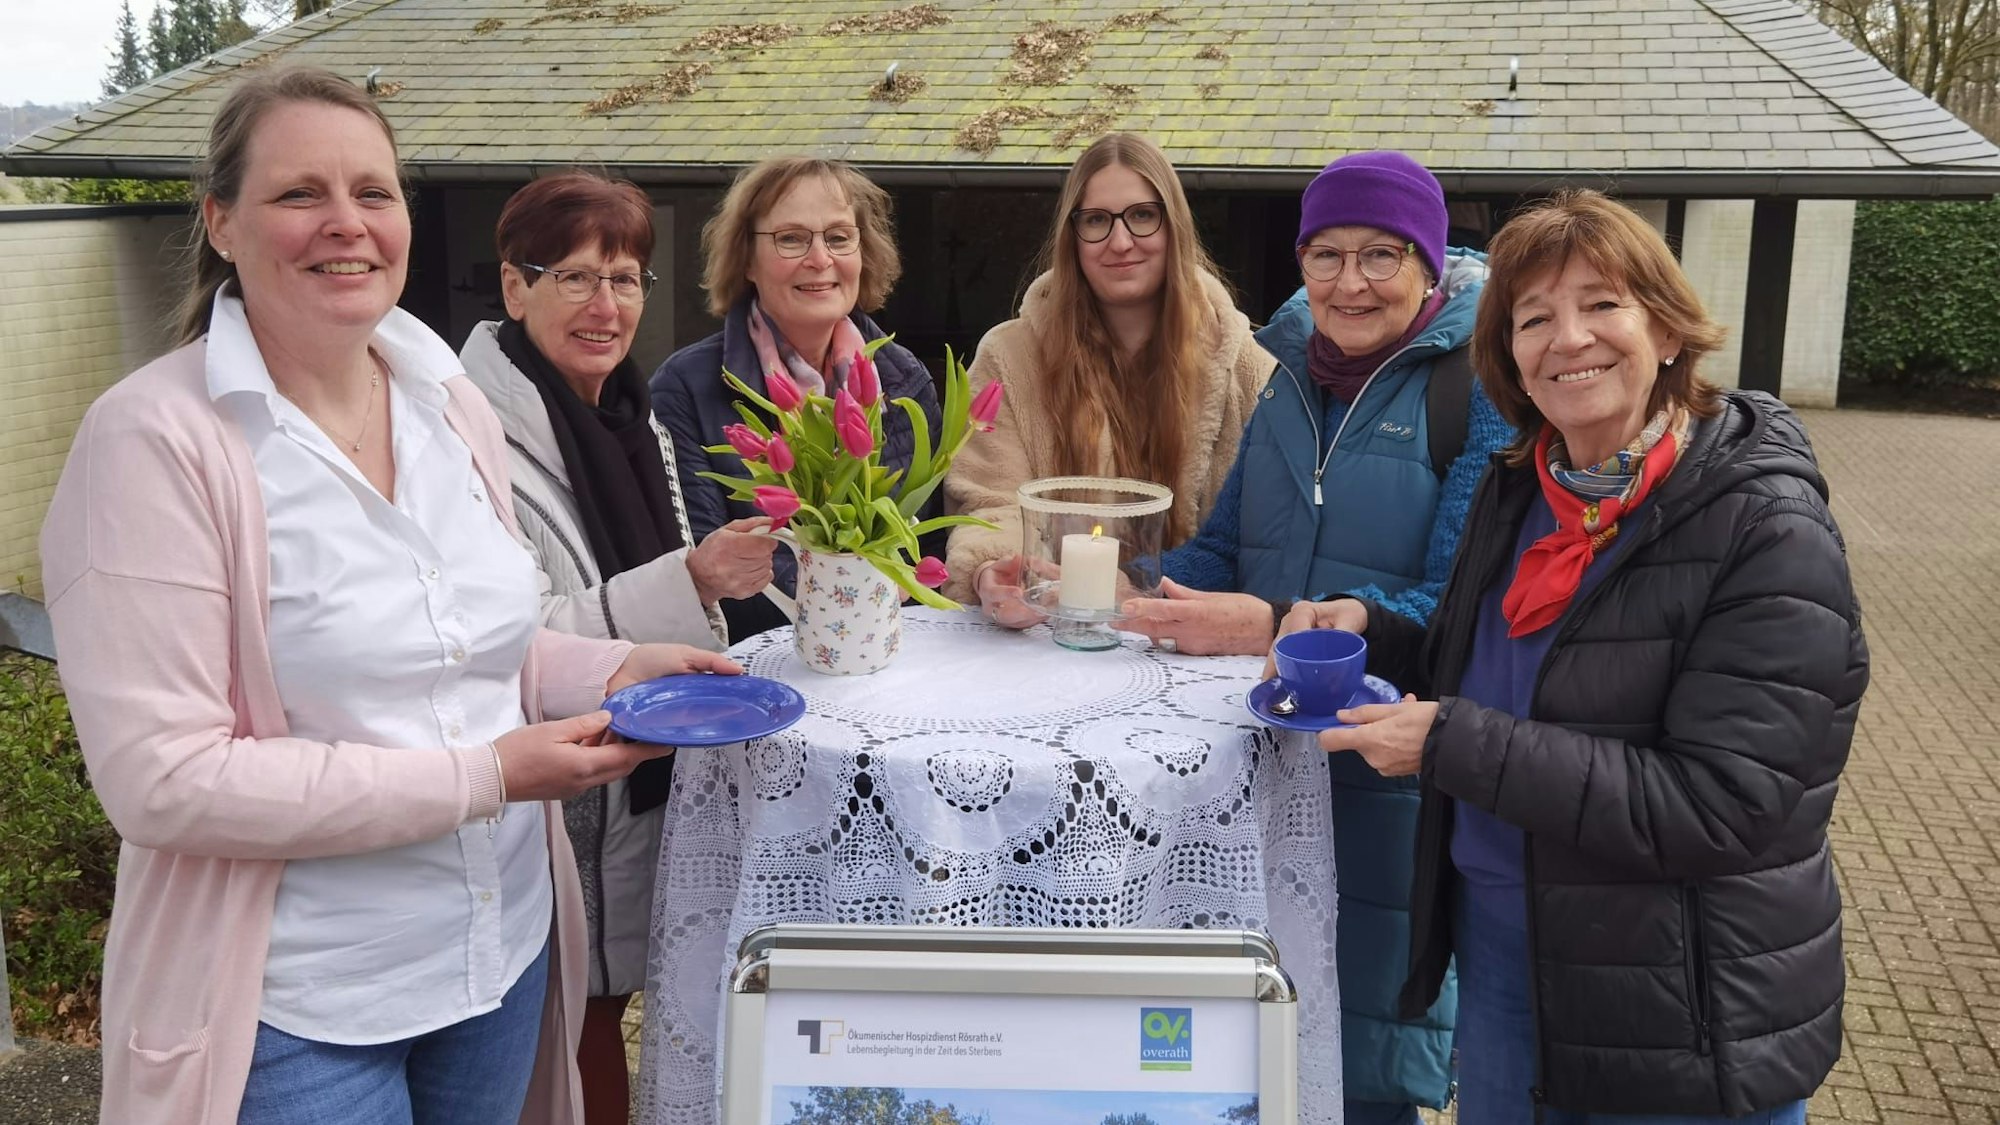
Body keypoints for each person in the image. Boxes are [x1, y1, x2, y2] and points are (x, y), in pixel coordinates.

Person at [39, 67, 737, 1125]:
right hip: (300, 1003)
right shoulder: (154, 440)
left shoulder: (445, 401)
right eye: (299, 193)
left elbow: (475, 645)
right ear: (221, 221)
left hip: (498, 957)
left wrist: (614, 667)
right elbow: (164, 780)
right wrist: (486, 776)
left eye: (373, 192)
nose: (346, 223)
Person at [1286, 189, 1867, 1122]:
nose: (1568, 338)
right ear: (1511, 356)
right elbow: (1490, 667)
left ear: (1667, 330)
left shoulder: (1764, 526)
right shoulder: (1524, 486)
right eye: (1533, 317)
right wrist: (1370, 628)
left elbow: (1725, 804)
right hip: (1506, 966)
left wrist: (1448, 743)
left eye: (1603, 304)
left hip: (1674, 1008)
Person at [1127, 151, 1514, 1124]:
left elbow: (1456, 598)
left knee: (1361, 1068)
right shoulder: (1287, 374)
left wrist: (1278, 622)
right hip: (1257, 774)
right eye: (1325, 254)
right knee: (1245, 1050)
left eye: (1381, 254)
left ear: (1428, 263)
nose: (1350, 283)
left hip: (1386, 780)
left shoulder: (1475, 388)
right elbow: (1221, 550)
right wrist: (1098, 588)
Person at [459, 170, 780, 1125]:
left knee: (607, 1017)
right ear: (515, 288)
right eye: (575, 277)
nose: (606, 306)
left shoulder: (634, 419)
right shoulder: (471, 436)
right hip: (541, 794)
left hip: (629, 777)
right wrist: (693, 577)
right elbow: (510, 631)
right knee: (567, 1037)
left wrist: (710, 581)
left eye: (627, 278)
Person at [940, 132, 1272, 613]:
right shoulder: (1009, 357)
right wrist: (994, 568)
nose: (1120, 242)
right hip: (1048, 625)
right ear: (1071, 235)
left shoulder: (1246, 366)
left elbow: (1254, 538)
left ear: (1174, 225)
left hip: (1188, 625)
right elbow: (989, 501)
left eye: (1142, 215)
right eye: (1096, 220)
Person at [651, 157, 941, 640]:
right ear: (747, 259)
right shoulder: (684, 387)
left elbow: (930, 548)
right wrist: (847, 592)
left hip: (888, 651)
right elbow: (702, 570)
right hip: (753, 659)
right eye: (791, 238)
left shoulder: (903, 376)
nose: (820, 259)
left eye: (839, 237)